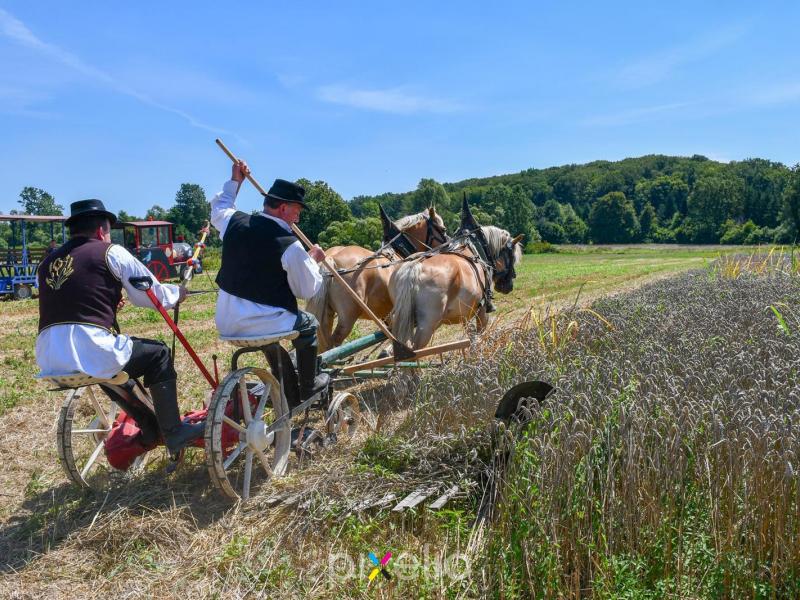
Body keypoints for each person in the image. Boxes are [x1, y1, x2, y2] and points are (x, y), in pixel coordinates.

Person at [36, 199, 203, 455]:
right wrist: (177, 293)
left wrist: (110, 300)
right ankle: (174, 432)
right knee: (157, 354)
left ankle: (149, 427)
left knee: (106, 369)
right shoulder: (109, 251)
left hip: (49, 356)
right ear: (103, 230)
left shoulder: (48, 262)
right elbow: (150, 294)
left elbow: (74, 299)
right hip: (89, 347)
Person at [211, 160, 330, 402]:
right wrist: (313, 261)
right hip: (263, 322)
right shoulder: (289, 245)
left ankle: (287, 387)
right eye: (297, 209)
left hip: (226, 322)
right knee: (309, 324)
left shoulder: (235, 222)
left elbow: (219, 208)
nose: (298, 216)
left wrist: (235, 181)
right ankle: (309, 387)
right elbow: (307, 290)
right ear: (283, 208)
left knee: (273, 339)